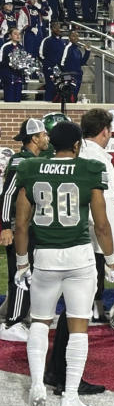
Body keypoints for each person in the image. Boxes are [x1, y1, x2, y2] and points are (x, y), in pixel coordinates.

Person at [14, 121, 114, 406]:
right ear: (76, 145)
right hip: (79, 257)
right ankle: (69, 397)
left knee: (39, 322)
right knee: (78, 326)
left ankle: (37, 385)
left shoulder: (32, 167)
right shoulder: (88, 168)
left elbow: (21, 222)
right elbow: (101, 224)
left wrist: (22, 262)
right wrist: (110, 261)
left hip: (45, 256)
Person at [0, 119, 49, 343]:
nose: (47, 138)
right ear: (34, 138)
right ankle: (13, 322)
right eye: (43, 134)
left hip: (32, 225)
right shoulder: (21, 160)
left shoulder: (36, 159)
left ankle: (16, 313)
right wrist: (5, 227)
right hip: (19, 226)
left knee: (32, 272)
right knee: (21, 273)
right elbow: (8, 194)